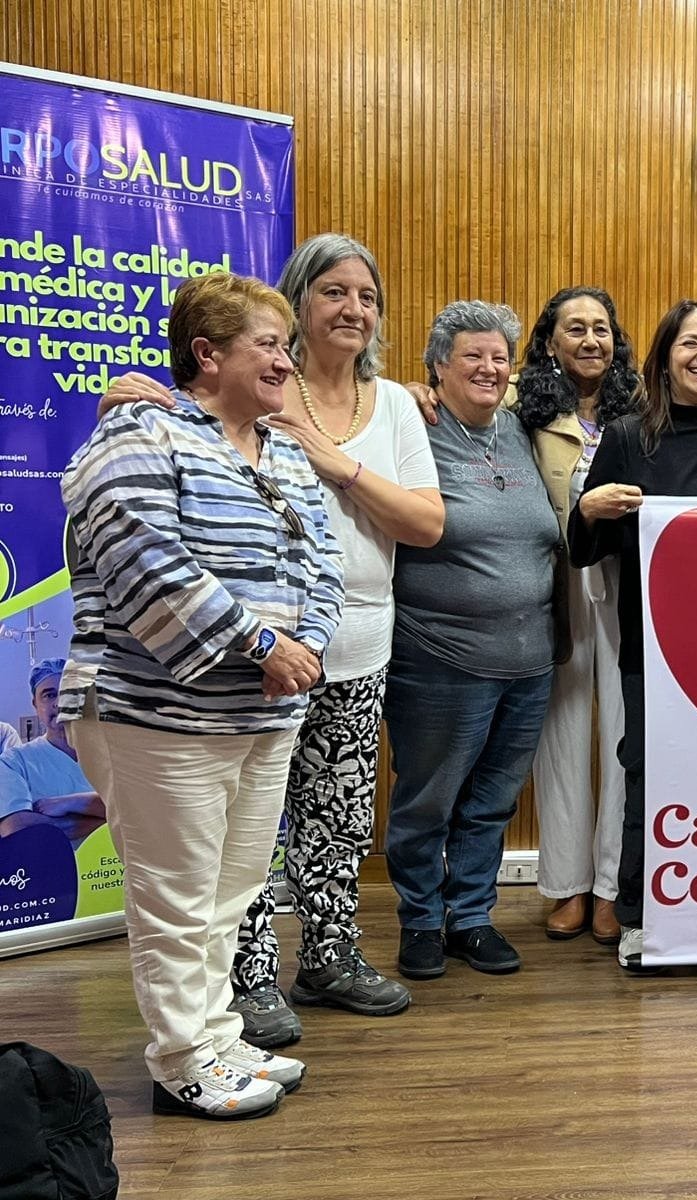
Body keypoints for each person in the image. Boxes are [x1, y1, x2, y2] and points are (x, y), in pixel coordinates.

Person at [98, 234, 444, 1048]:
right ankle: (245, 982)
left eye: (367, 295)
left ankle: (328, 957)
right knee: (244, 830)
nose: (354, 308)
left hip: (353, 644)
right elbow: (157, 528)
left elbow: (421, 523)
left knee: (337, 818)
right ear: (295, 305)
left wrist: (331, 462)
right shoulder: (236, 402)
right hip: (243, 666)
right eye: (334, 292)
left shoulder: (393, 403)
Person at [59, 271, 343, 1119]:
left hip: (265, 713)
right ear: (206, 353)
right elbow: (139, 554)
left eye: (289, 349)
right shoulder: (139, 433)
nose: (287, 364)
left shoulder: (286, 450)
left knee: (234, 890)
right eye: (270, 345)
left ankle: (218, 1037)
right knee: (176, 899)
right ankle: (182, 1060)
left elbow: (324, 565)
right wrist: (258, 643)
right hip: (157, 715)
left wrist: (307, 645)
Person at [568, 299, 697, 972]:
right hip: (654, 644)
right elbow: (583, 547)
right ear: (664, 357)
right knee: (648, 770)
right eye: (690, 343)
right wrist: (587, 507)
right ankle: (638, 914)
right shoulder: (630, 437)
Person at [385, 301, 560, 981]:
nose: (490, 369)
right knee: (429, 796)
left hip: (531, 659)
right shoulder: (411, 427)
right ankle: (422, 921)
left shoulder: (523, 431)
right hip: (439, 658)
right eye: (473, 357)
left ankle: (472, 917)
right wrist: (398, 394)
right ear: (437, 367)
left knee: (493, 798)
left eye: (499, 358)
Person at [515, 287, 640, 945]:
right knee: (561, 734)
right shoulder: (519, 406)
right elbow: (457, 403)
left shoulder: (641, 410)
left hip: (627, 582)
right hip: (554, 582)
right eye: (575, 328)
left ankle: (614, 889)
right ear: (549, 341)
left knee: (626, 736)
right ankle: (566, 883)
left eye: (601, 328)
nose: (591, 339)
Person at [0, 659, 105, 847]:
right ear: (35, 705)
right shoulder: (13, 763)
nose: (59, 702)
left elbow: (143, 810)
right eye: (49, 695)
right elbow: (17, 829)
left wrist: (70, 804)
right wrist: (108, 819)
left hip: (115, 871)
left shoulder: (114, 756)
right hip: (52, 872)